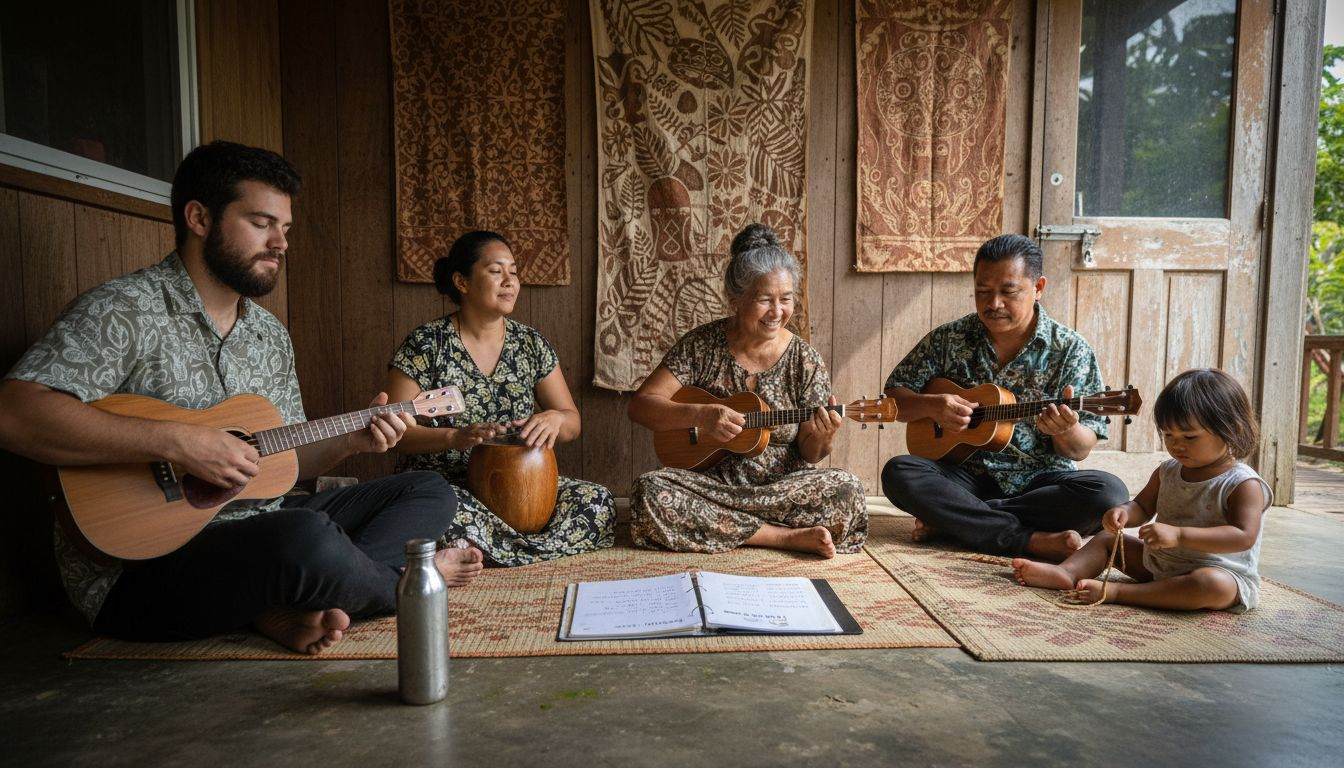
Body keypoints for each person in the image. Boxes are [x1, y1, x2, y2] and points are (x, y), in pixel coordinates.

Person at [0, 141, 481, 656]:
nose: (280, 243)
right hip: (141, 572)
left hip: (257, 529)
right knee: (306, 538)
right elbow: (14, 413)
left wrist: (351, 441)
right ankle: (402, 584)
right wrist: (177, 443)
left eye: (285, 228)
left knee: (429, 489)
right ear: (199, 218)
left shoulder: (268, 335)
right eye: (261, 223)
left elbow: (285, 463)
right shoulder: (123, 311)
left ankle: (298, 594)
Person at [880, 234, 1128, 560]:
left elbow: (1080, 450)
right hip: (963, 477)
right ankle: (1026, 539)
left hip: (1037, 483)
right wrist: (932, 405)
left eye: (1008, 292)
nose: (993, 303)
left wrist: (1066, 430)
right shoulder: (949, 338)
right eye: (983, 291)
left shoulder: (1070, 349)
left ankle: (960, 521)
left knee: (1109, 493)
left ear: (1038, 287)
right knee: (899, 471)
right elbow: (893, 399)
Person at [625, 223, 867, 558]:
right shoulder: (701, 345)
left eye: (786, 299)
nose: (777, 312)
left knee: (848, 490)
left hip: (782, 491)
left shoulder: (804, 360)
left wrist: (824, 436)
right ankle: (781, 537)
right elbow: (640, 406)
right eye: (765, 300)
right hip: (712, 488)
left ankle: (734, 528)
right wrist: (701, 416)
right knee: (649, 491)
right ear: (735, 300)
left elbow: (811, 454)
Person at [385, 231, 616, 565]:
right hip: (450, 488)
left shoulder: (530, 344)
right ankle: (528, 547)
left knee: (597, 502)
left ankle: (490, 550)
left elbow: (572, 422)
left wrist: (555, 419)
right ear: (462, 282)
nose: (510, 281)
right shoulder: (426, 344)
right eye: (496, 271)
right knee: (442, 512)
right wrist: (453, 437)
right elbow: (394, 434)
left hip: (525, 486)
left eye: (514, 272)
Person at [1012, 369, 1272, 611]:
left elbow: (1243, 536)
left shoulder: (1242, 483)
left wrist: (1180, 535)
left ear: (1232, 429)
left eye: (1189, 437)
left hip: (1219, 572)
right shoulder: (1167, 471)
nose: (1176, 445)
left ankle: (1118, 593)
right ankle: (1066, 573)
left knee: (1211, 585)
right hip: (1160, 563)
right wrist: (1124, 512)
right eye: (1168, 435)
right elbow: (1143, 507)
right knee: (1105, 539)